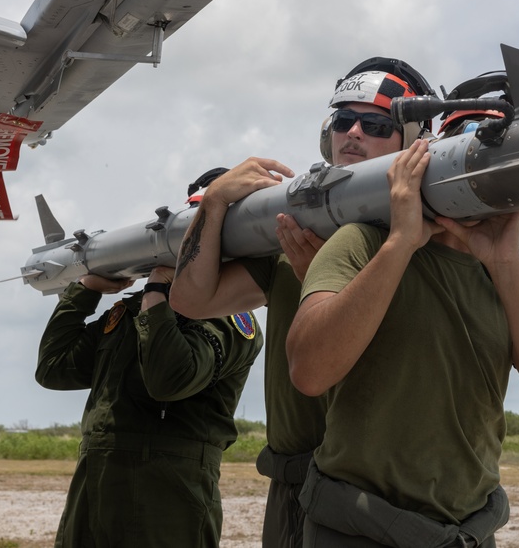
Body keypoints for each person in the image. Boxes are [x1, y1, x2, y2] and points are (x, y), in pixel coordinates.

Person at [169, 57, 436, 548]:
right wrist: (214, 202)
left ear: (414, 139)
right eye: (342, 120)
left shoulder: (431, 238)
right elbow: (190, 299)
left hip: (382, 500)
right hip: (294, 488)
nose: (353, 132)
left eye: (376, 125)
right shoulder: (293, 231)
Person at [285, 136, 519, 546]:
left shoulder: (508, 276)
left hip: (467, 531)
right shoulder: (362, 242)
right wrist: (401, 242)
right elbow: (309, 371)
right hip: (358, 527)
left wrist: (505, 261)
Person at [35, 172, 264, 548]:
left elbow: (169, 379)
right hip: (95, 484)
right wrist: (85, 291)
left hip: (168, 494)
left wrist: (159, 290)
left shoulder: (232, 319)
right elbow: (54, 368)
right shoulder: (130, 311)